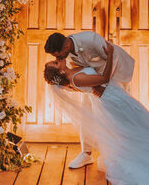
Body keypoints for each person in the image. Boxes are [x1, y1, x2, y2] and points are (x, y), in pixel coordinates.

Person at [44, 30, 134, 168]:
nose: (58, 59)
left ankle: (124, 152)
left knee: (117, 117)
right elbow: (72, 74)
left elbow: (113, 55)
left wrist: (102, 85)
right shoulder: (65, 55)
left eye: (57, 55)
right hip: (92, 79)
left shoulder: (90, 39)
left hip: (117, 73)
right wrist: (88, 85)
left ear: (66, 47)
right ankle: (86, 153)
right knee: (86, 115)